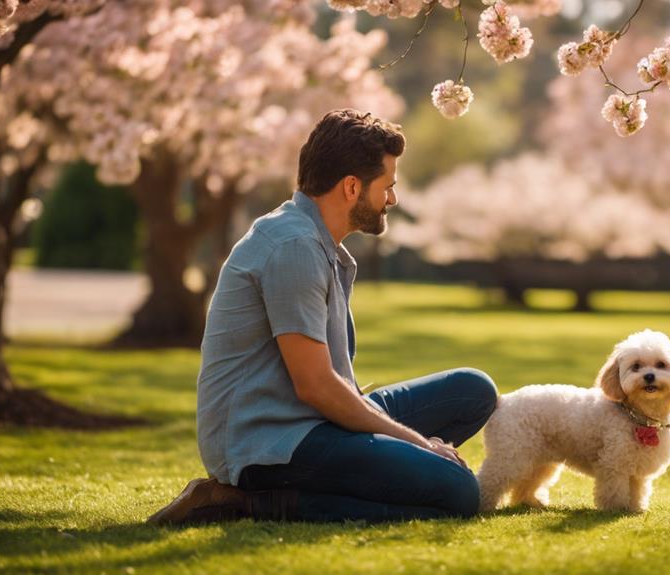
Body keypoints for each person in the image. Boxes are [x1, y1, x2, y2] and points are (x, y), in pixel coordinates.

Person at [148, 109, 498, 524]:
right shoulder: (293, 246)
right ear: (352, 187)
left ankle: (352, 474)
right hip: (271, 441)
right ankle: (246, 501)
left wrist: (386, 428)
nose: (393, 199)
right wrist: (421, 444)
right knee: (458, 492)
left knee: (473, 391)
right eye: (387, 187)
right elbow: (314, 386)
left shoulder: (314, 240)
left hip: (313, 420)